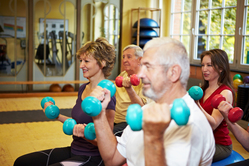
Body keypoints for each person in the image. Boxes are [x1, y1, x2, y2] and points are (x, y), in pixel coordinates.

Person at [74, 37, 215, 166]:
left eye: (148, 67)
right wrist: (99, 115)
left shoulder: (190, 123)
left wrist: (154, 138)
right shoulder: (146, 111)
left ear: (173, 73)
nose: (140, 74)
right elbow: (112, 159)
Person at [14, 37, 116, 166]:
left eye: (86, 61)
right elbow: (77, 123)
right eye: (81, 61)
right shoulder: (83, 88)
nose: (81, 65)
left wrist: (84, 134)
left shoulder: (107, 96)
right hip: (74, 150)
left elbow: (107, 142)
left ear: (102, 63)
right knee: (22, 163)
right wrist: (57, 115)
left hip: (92, 157)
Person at [197, 49, 234, 162]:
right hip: (202, 141)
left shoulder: (225, 93)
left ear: (221, 68)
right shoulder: (203, 89)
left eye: (209, 65)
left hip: (219, 145)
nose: (204, 69)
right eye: (203, 65)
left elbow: (213, 124)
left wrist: (196, 104)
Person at [114, 45, 151, 136]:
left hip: (130, 122)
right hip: (114, 120)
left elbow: (142, 109)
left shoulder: (146, 79)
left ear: (140, 60)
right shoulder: (123, 74)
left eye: (129, 57)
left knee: (108, 137)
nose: (124, 60)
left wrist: (129, 89)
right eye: (123, 57)